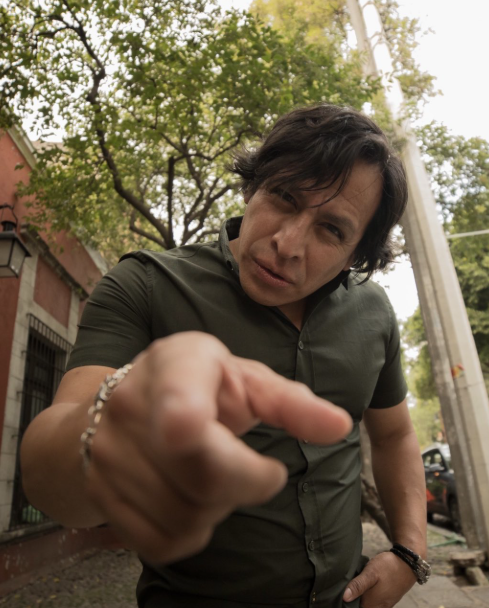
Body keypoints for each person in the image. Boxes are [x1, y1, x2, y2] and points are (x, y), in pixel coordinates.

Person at [20, 103, 428, 608]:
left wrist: (411, 550)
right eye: (284, 196)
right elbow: (45, 477)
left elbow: (394, 436)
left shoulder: (374, 313)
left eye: (332, 230)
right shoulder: (143, 286)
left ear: (357, 255)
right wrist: (107, 427)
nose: (287, 244)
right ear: (252, 186)